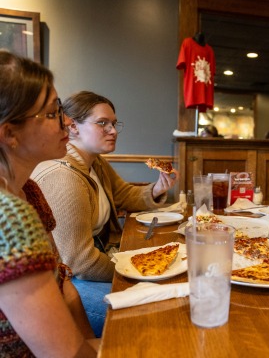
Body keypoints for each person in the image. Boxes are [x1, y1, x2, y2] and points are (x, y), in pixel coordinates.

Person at [31, 91, 179, 337]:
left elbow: (124, 196)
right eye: (102, 123)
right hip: (66, 286)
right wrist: (137, 271)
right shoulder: (63, 177)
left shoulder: (94, 161)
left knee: (165, 293)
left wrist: (157, 189)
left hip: (91, 267)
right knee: (156, 312)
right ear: (73, 126)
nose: (113, 130)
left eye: (114, 123)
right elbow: (81, 262)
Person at [0, 51, 97, 356]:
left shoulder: (28, 191)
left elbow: (63, 281)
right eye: (53, 112)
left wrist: (89, 344)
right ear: (10, 133)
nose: (68, 121)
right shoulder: (10, 217)